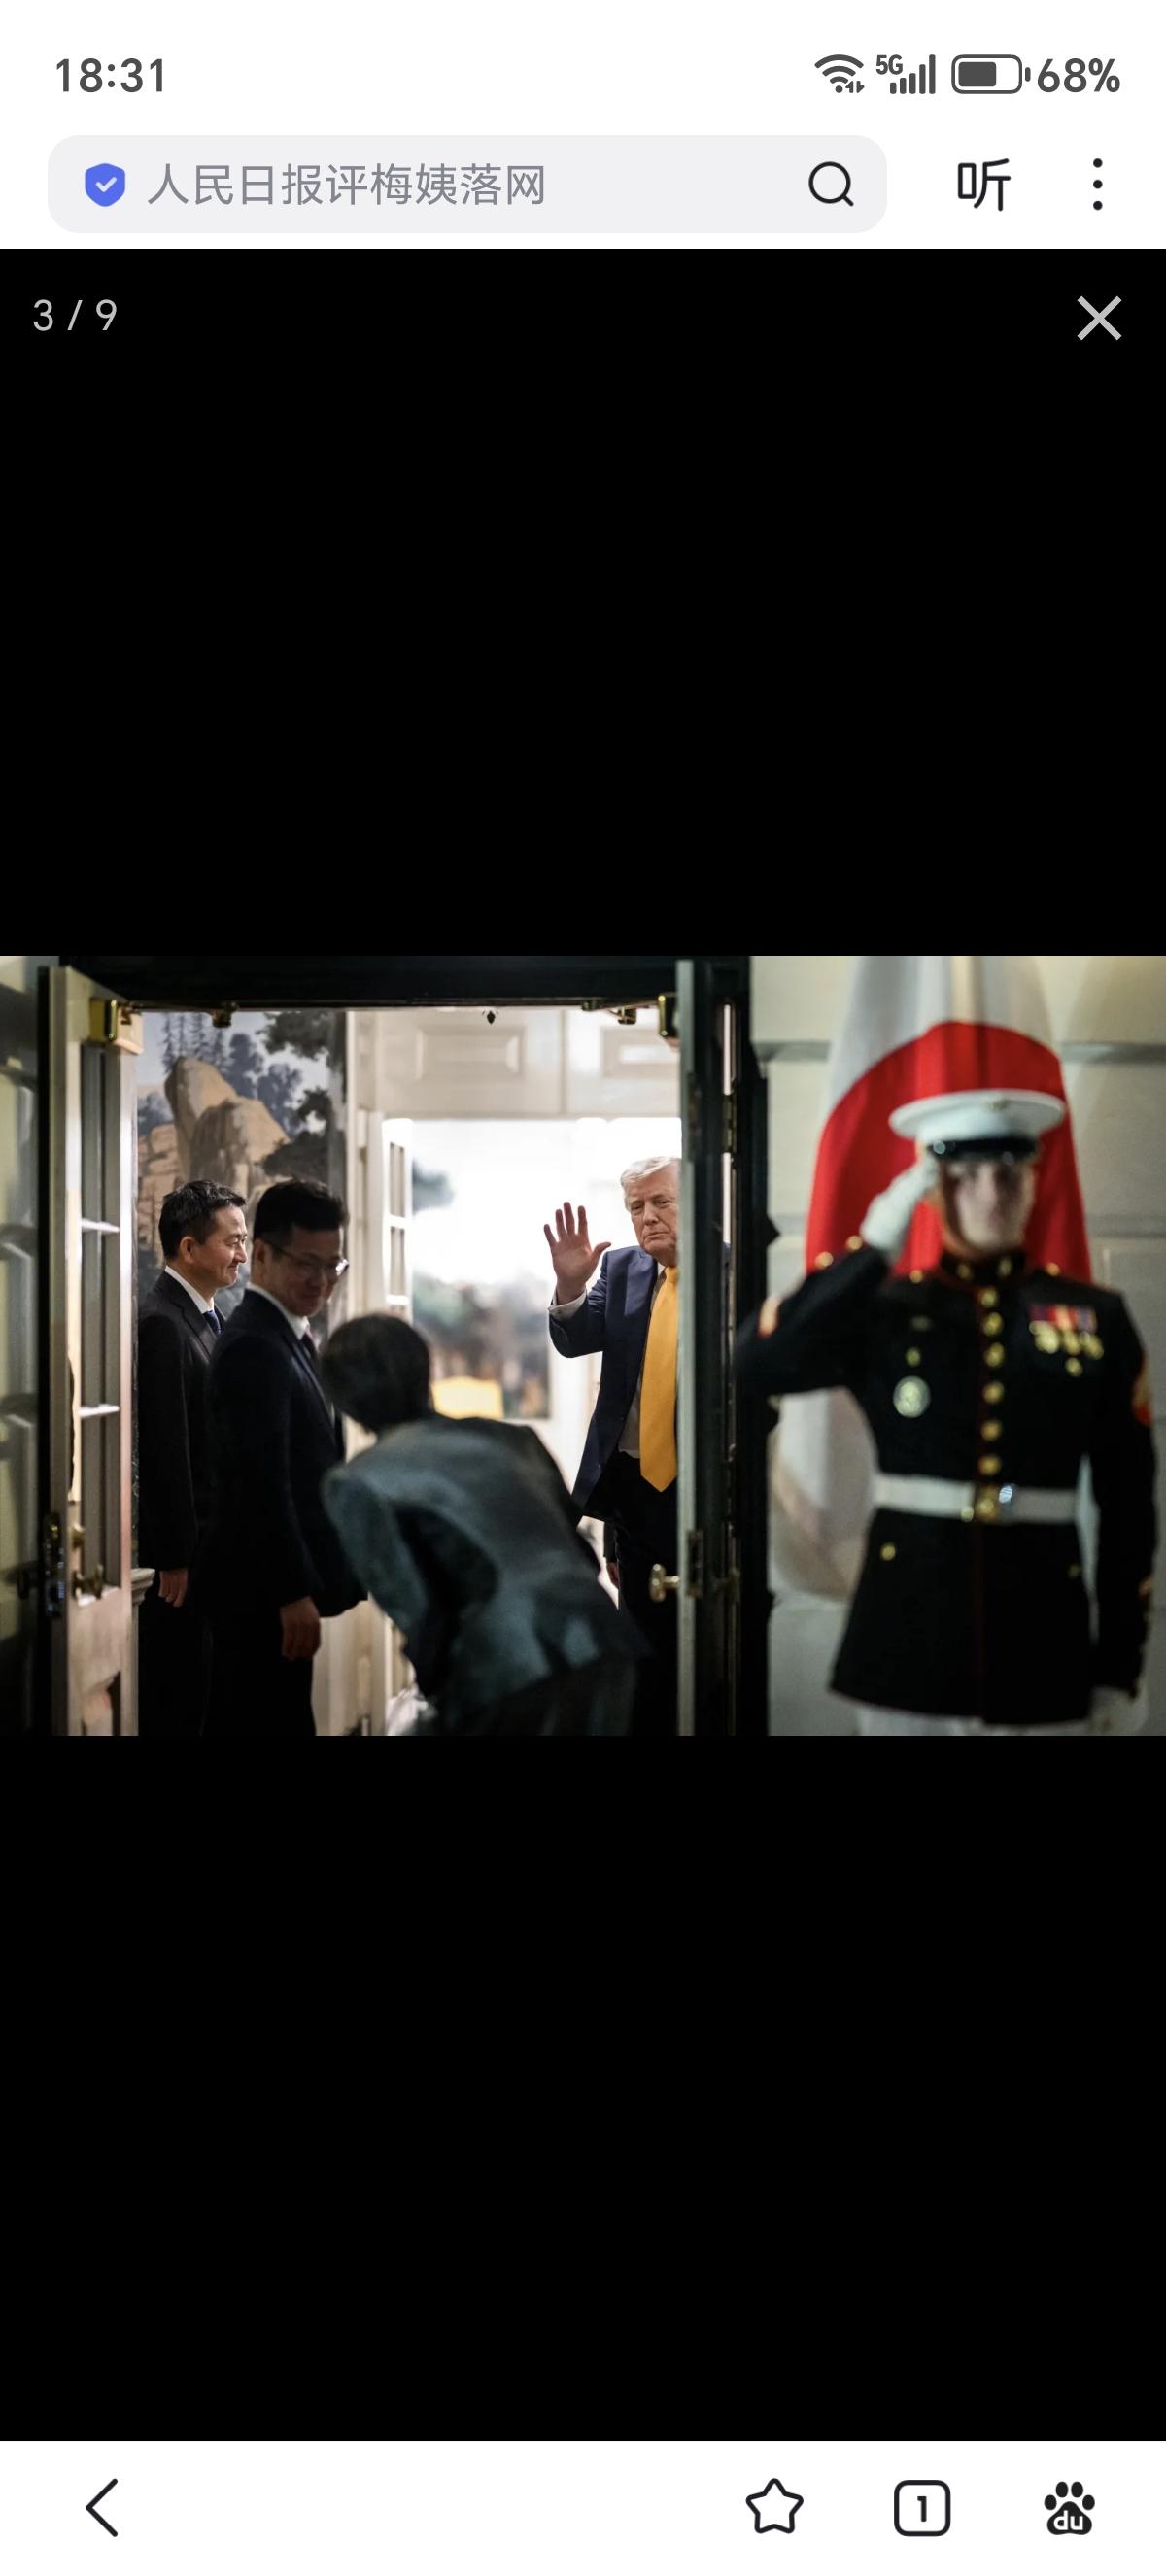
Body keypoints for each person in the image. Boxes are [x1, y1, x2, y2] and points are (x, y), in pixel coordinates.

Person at [737, 1088, 1158, 1735]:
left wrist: (1120, 1664)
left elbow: (1129, 1506)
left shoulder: (1094, 1317)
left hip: (1042, 1637)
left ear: (1032, 1183)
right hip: (907, 1631)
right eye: (965, 1176)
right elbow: (760, 1364)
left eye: (1009, 1174)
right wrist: (872, 1249)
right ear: (932, 1192)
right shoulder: (887, 1310)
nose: (991, 1194)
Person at [319, 1316, 642, 1735]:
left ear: (342, 1397)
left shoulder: (359, 1481)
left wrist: (440, 1695)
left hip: (505, 1666)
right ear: (423, 1369)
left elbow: (418, 1608)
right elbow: (579, 1552)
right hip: (605, 1643)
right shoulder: (512, 1438)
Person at [201, 1180, 364, 1738]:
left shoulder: (289, 1334)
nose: (321, 1281)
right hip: (259, 1598)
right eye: (305, 1264)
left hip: (273, 1592)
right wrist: (291, 1592)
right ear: (262, 1255)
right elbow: (259, 1484)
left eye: (332, 1265)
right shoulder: (254, 1345)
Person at [545, 1159, 680, 1736]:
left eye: (661, 1202)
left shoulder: (733, 1267)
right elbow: (576, 1339)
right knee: (644, 1653)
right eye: (635, 1207)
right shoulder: (623, 1268)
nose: (647, 1217)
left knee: (708, 1645)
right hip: (634, 1492)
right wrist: (571, 1284)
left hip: (706, 1488)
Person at [137, 1183, 248, 1737]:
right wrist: (175, 1556)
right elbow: (166, 1445)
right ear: (188, 1248)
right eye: (233, 1242)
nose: (242, 1254)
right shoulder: (162, 1321)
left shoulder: (207, 1313)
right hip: (185, 1563)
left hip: (213, 1551)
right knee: (180, 1700)